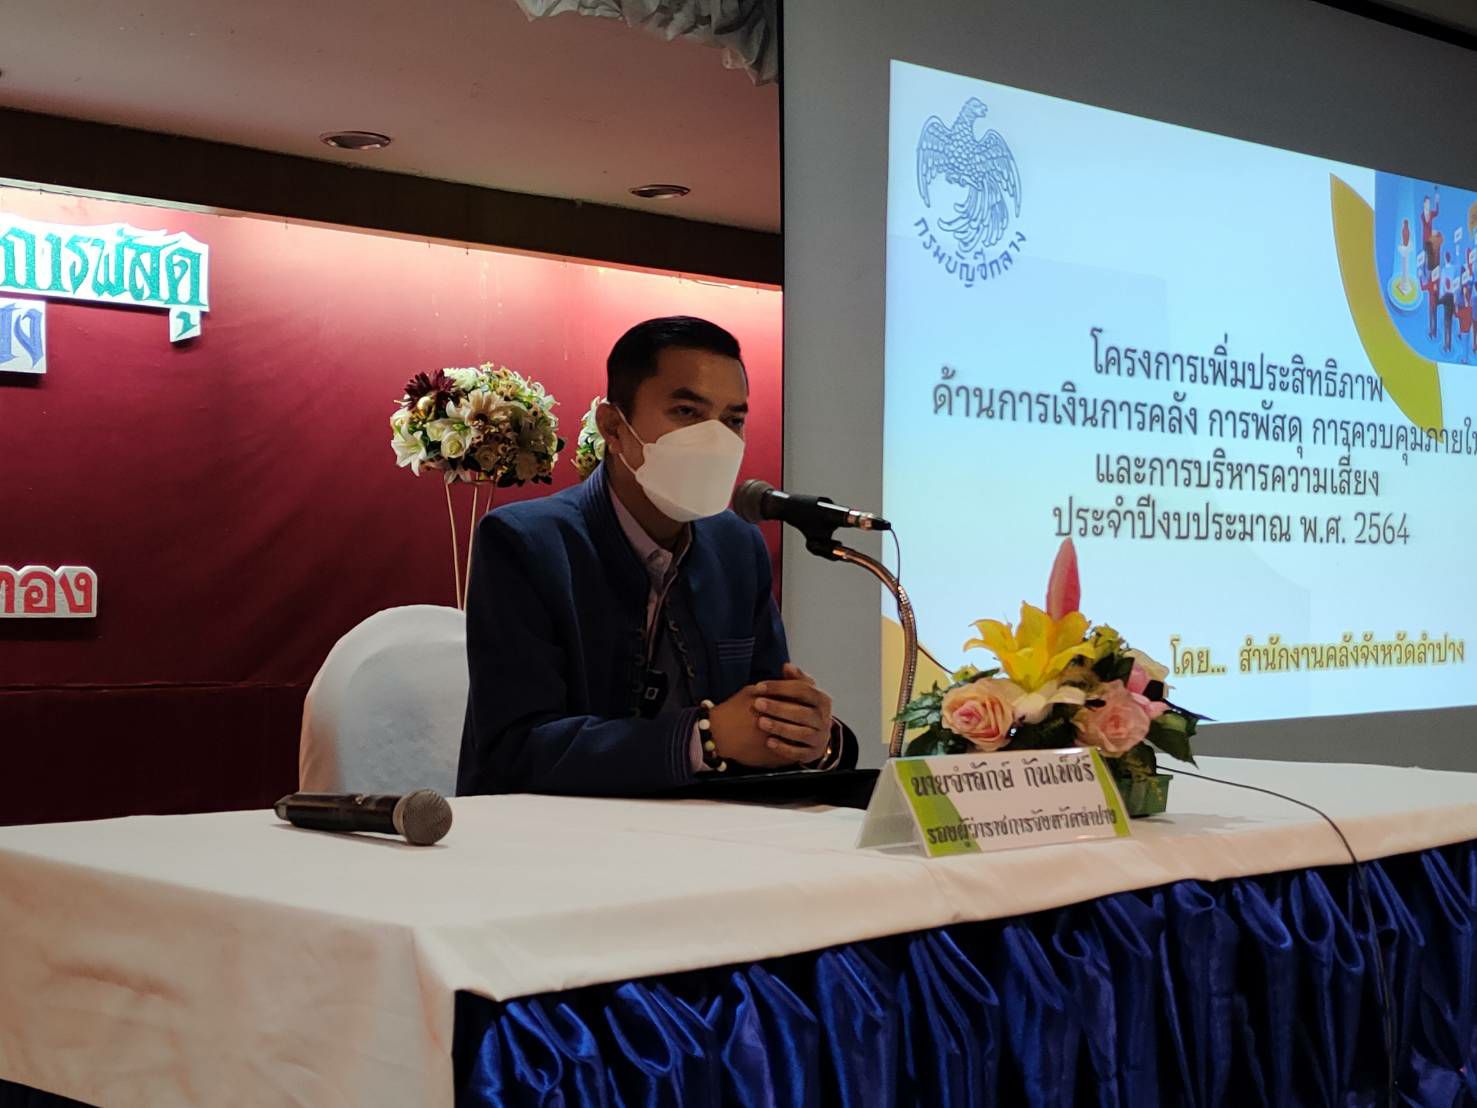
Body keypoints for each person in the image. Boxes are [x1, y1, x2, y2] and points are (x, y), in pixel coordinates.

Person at [457, 316, 857, 796]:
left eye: (733, 420)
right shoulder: (526, 543)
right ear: (613, 427)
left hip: (713, 829)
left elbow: (762, 716)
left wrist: (808, 737)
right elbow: (515, 752)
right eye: (687, 412)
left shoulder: (737, 546)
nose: (716, 441)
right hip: (559, 832)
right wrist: (701, 739)